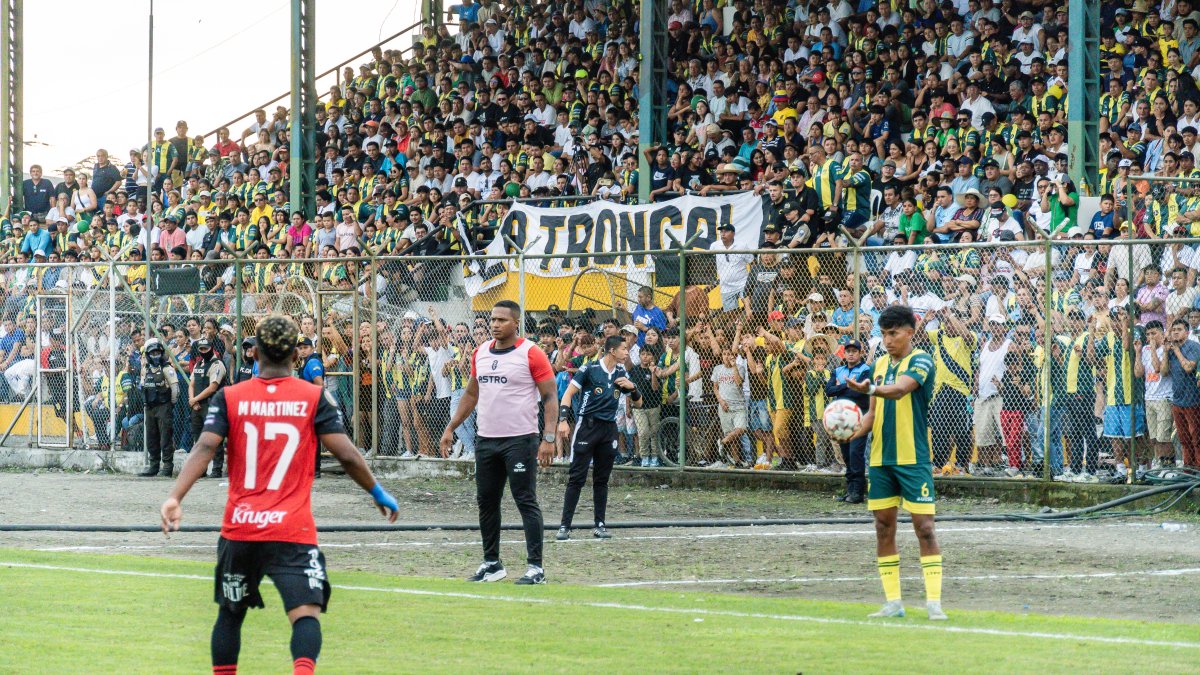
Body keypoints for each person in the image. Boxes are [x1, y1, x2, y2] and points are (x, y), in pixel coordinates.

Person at [159, 315, 399, 675]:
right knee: (305, 614)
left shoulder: (231, 397)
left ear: (254, 352)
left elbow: (205, 447)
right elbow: (348, 454)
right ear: (294, 355)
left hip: (241, 528)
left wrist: (175, 496)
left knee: (230, 613)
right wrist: (378, 492)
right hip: (292, 530)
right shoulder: (313, 397)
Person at [439, 300, 557, 585]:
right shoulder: (479, 353)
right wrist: (451, 427)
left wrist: (549, 438)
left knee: (525, 500)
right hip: (487, 440)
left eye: (502, 320)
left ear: (516, 323)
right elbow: (470, 394)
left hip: (520, 440)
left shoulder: (531, 353)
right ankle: (492, 563)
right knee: (486, 502)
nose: (495, 324)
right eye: (492, 319)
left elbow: (550, 396)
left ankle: (535, 568)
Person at [847, 305, 945, 621]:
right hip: (880, 460)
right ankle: (893, 603)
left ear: (910, 332)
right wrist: (849, 432)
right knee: (883, 527)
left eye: (894, 333)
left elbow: (901, 391)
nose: (888, 340)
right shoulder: (877, 365)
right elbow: (873, 414)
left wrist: (871, 388)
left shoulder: (921, 361)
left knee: (925, 528)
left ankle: (933, 604)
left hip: (913, 460)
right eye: (884, 334)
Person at [556, 335, 641, 540]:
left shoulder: (621, 372)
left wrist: (633, 388)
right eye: (624, 349)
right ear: (612, 350)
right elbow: (568, 394)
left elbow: (638, 404)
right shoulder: (590, 369)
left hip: (608, 429)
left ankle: (600, 524)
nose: (626, 352)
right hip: (587, 426)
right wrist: (563, 420)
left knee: (601, 479)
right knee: (576, 477)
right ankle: (565, 526)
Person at [826, 340, 871, 503]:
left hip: (859, 418)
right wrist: (849, 386)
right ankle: (850, 489)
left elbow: (861, 393)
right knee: (846, 455)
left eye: (855, 351)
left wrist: (843, 387)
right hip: (841, 419)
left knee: (856, 454)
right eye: (848, 351)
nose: (851, 354)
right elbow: (829, 390)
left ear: (860, 353)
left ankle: (858, 492)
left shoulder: (866, 370)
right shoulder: (838, 370)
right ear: (844, 353)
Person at [187, 337, 227, 478]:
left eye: (206, 348)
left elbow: (213, 387)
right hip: (197, 406)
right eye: (201, 349)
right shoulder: (198, 364)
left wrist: (195, 399)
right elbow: (191, 384)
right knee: (198, 439)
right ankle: (201, 469)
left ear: (211, 348)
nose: (203, 351)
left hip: (211, 405)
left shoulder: (217, 364)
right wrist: (192, 400)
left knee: (214, 438)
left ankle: (216, 469)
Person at [139, 338, 179, 477]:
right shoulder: (145, 369)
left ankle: (167, 466)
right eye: (152, 353)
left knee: (165, 438)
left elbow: (175, 389)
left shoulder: (167, 368)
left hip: (163, 406)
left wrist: (170, 404)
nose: (155, 356)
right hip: (150, 407)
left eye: (157, 353)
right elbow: (143, 386)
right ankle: (153, 465)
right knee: (151, 437)